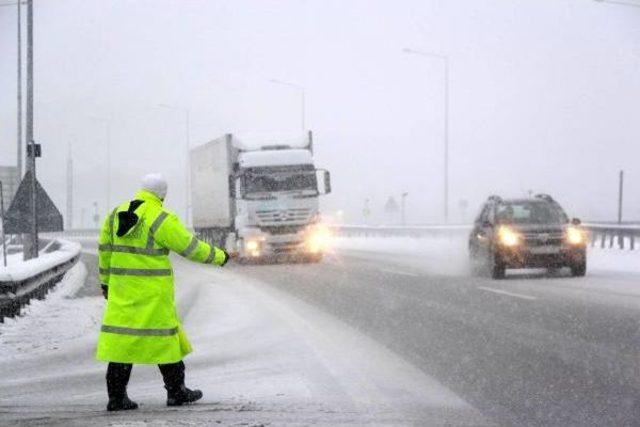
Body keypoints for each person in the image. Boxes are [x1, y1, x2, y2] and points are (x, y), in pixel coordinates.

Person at [96, 173, 229, 411]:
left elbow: (105, 251)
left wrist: (106, 282)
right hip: (152, 294)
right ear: (162, 195)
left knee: (122, 342)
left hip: (122, 292)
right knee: (165, 341)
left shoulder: (115, 214)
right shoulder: (160, 218)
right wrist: (220, 256)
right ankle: (176, 391)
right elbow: (190, 247)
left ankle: (116, 397)